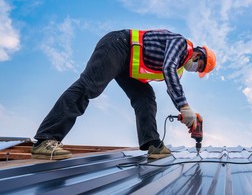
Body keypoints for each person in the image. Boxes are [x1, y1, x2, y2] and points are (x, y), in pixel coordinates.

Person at [31, 29, 216, 160]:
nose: (194, 69)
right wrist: (184, 107)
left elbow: (172, 86)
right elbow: (168, 69)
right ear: (198, 55)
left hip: (127, 67)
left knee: (145, 97)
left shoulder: (180, 68)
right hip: (119, 44)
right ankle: (46, 140)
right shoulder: (181, 43)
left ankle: (153, 145)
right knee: (89, 86)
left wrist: (185, 112)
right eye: (199, 67)